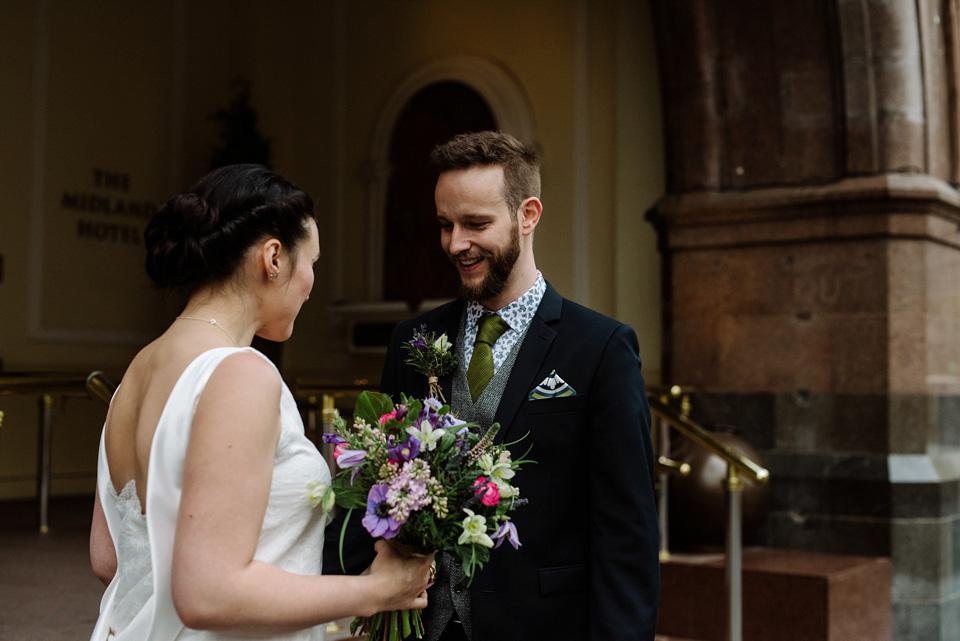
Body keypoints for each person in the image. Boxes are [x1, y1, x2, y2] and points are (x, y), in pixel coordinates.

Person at [88, 164, 433, 641]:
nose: (311, 282)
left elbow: (111, 559)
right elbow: (208, 594)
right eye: (311, 261)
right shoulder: (240, 373)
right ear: (273, 257)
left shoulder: (136, 374)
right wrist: (376, 591)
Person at [340, 131, 659, 640]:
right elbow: (376, 492)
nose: (456, 244)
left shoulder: (601, 348)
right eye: (445, 225)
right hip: (422, 627)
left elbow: (627, 533)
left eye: (476, 224)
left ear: (528, 215)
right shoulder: (413, 340)